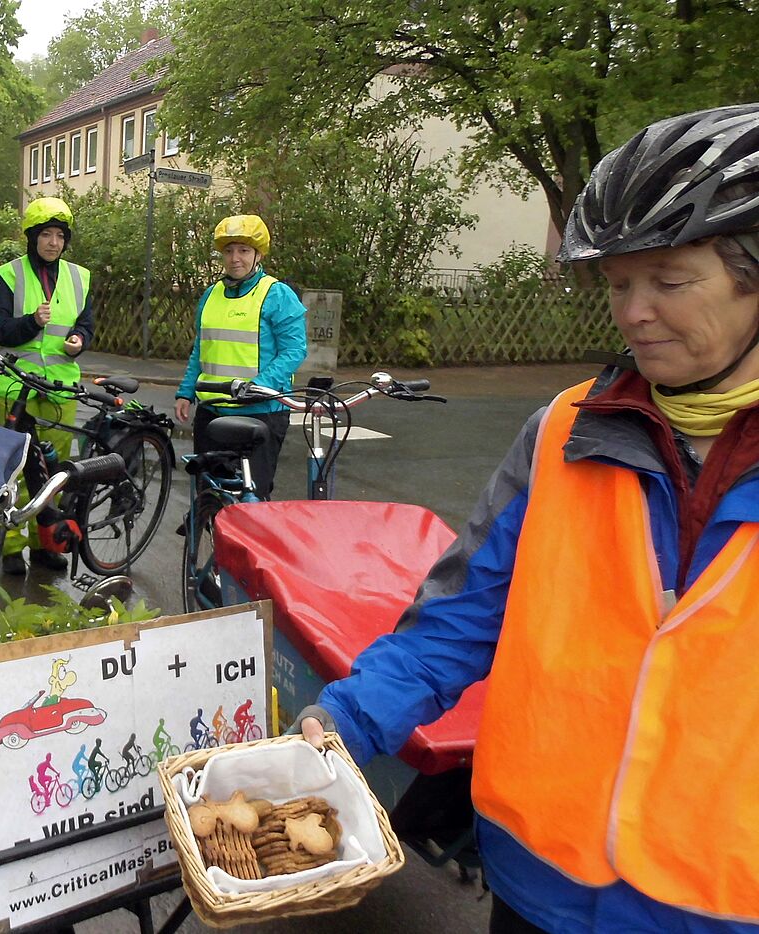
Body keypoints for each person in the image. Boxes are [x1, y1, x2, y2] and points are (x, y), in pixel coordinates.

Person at [297, 104, 759, 933]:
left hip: (717, 907)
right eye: (619, 283)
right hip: (537, 885)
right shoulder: (563, 430)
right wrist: (344, 719)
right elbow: (462, 618)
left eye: (669, 280)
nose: (633, 311)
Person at [0, 196, 95, 576]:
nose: (53, 243)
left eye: (60, 236)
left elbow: (86, 324)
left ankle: (45, 542)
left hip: (60, 390)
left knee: (54, 473)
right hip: (13, 388)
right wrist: (30, 322)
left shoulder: (80, 278)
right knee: (14, 472)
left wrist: (79, 339)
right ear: (32, 238)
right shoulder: (6, 276)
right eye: (46, 234)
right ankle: (11, 546)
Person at [174, 215, 307, 499]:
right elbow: (201, 348)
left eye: (244, 251)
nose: (235, 258)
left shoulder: (277, 294)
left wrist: (258, 385)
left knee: (252, 499)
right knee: (209, 492)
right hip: (213, 410)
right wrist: (186, 391)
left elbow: (295, 350)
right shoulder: (211, 295)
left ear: (258, 254)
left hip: (259, 413)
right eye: (229, 251)